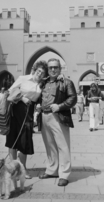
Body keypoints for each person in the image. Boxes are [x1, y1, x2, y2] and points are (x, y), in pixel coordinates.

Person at [5, 60, 48, 179]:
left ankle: (23, 168)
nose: (40, 74)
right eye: (39, 71)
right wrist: (22, 98)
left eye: (42, 73)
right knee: (12, 140)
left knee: (25, 141)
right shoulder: (23, 78)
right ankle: (13, 169)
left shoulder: (41, 85)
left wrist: (38, 105)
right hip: (16, 110)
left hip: (28, 113)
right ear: (35, 70)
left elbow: (40, 98)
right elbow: (10, 91)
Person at [38, 58, 77, 187]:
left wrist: (59, 106)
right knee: (50, 145)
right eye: (50, 68)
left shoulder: (66, 82)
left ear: (60, 68)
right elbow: (39, 97)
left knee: (63, 146)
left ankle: (64, 174)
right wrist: (38, 105)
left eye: (55, 67)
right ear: (47, 70)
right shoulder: (43, 83)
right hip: (44, 116)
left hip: (58, 116)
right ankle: (52, 170)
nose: (53, 69)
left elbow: (73, 98)